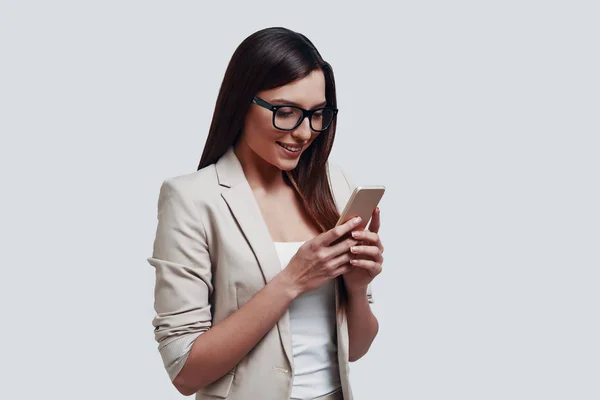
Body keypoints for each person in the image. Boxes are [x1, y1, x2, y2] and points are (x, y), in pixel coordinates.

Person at [147, 27, 384, 400]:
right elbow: (185, 371)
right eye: (286, 112)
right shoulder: (192, 199)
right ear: (241, 102)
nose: (306, 133)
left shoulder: (334, 185)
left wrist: (357, 289)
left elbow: (354, 350)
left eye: (317, 114)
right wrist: (291, 280)